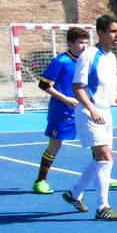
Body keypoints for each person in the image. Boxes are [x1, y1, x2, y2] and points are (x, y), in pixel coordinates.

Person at [62, 15, 117, 221]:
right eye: (113, 32)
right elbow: (77, 87)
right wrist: (92, 109)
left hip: (105, 113)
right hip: (89, 113)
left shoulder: (111, 58)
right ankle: (102, 207)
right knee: (105, 157)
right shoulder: (89, 55)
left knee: (100, 158)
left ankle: (74, 194)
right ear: (101, 33)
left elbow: (111, 90)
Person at [31, 26, 89, 194]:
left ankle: (103, 176)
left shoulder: (87, 61)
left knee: (96, 143)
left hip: (84, 110)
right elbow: (44, 85)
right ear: (70, 43)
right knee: (54, 146)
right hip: (62, 112)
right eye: (80, 43)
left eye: (86, 42)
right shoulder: (61, 61)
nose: (84, 46)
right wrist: (66, 99)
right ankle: (40, 181)